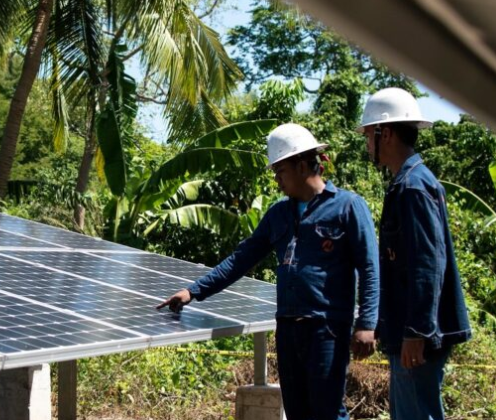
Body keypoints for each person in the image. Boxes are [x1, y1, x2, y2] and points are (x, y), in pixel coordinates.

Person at [157, 123, 379, 420]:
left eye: (280, 172)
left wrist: (366, 323)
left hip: (325, 328)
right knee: (298, 411)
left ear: (302, 166)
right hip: (288, 328)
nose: (276, 180)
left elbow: (369, 267)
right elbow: (241, 259)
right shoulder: (278, 213)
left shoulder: (348, 207)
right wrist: (194, 291)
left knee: (327, 411)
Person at [358, 87, 471, 420]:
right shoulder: (406, 183)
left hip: (416, 333)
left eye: (368, 136)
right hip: (407, 329)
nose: (367, 145)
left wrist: (417, 332)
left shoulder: (413, 187)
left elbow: (427, 262)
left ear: (386, 133)